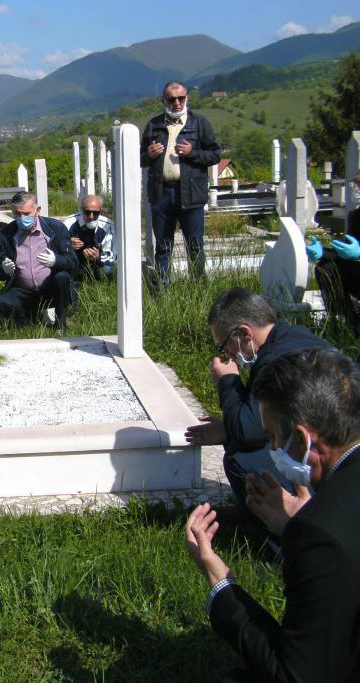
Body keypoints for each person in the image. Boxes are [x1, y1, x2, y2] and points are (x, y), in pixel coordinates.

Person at [185, 347, 360, 682]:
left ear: (303, 439)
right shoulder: (320, 526)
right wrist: (297, 528)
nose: (274, 450)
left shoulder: (319, 532)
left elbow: (292, 674)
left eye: (274, 438)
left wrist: (220, 581)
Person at [184, 288, 330, 537]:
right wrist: (228, 428)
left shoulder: (274, 362)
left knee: (241, 458)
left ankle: (284, 540)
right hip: (336, 451)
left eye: (225, 346)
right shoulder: (294, 337)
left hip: (323, 464)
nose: (228, 355)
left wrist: (228, 381)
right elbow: (261, 421)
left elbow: (248, 433)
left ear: (244, 333)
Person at [140, 80, 221, 285]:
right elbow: (139, 158)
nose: (176, 103)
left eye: (181, 98)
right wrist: (149, 155)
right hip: (161, 193)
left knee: (195, 245)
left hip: (191, 193)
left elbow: (215, 155)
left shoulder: (199, 123)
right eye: (172, 99)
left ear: (187, 98)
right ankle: (162, 290)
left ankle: (198, 288)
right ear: (164, 101)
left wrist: (192, 153)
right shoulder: (153, 125)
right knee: (163, 245)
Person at [0, 191, 77, 326]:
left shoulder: (55, 228)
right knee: (5, 303)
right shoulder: (5, 235)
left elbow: (73, 262)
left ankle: (61, 320)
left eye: (26, 214)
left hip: (50, 287)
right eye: (17, 214)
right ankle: (30, 320)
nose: (22, 218)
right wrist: (5, 270)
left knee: (62, 278)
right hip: (22, 289)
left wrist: (56, 261)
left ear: (37, 210)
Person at [306, 170, 360, 327]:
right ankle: (346, 321)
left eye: (359, 184)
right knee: (327, 267)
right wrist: (323, 253)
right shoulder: (356, 216)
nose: (356, 188)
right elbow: (346, 251)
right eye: (356, 183)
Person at [63, 194, 116, 281]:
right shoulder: (68, 223)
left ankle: (100, 283)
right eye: (87, 212)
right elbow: (57, 248)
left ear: (101, 211)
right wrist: (68, 244)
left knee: (107, 269)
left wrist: (98, 257)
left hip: (97, 264)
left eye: (96, 213)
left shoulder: (107, 225)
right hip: (75, 262)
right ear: (81, 210)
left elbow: (112, 254)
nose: (91, 216)